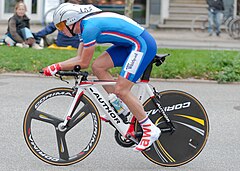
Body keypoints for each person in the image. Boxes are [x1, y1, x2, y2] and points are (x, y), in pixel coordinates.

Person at [42, 3, 161, 151]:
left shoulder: (89, 28)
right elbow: (79, 58)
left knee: (121, 90)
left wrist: (56, 66)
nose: (61, 30)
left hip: (142, 45)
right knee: (98, 67)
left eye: (60, 26)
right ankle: (121, 108)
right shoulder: (83, 28)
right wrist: (56, 66)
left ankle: (150, 129)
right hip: (129, 45)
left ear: (71, 21)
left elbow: (83, 62)